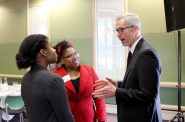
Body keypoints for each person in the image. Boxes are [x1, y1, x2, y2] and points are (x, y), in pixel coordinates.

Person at [92, 13, 162, 122]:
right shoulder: (135, 51)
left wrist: (116, 91)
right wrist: (118, 84)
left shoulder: (146, 53)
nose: (118, 35)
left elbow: (148, 95)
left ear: (134, 29)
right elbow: (138, 83)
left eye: (121, 30)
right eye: (117, 31)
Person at [16, 34, 74, 122]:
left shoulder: (26, 78)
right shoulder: (54, 80)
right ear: (43, 52)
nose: (54, 50)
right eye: (50, 46)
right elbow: (66, 119)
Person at [51, 40, 107, 122]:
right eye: (69, 56)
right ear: (62, 60)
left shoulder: (89, 70)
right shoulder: (55, 75)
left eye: (75, 53)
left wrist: (102, 119)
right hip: (67, 118)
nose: (75, 57)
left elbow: (99, 96)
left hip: (89, 118)